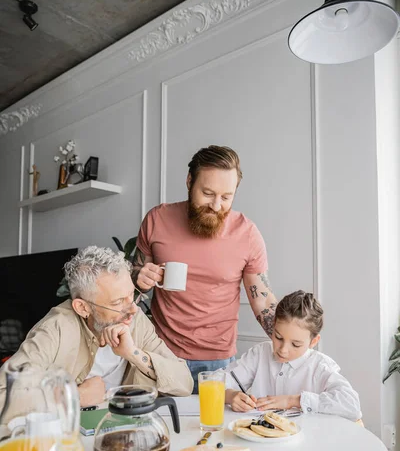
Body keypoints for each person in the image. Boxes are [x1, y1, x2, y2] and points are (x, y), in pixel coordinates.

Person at [133, 145, 278, 392]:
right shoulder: (157, 219)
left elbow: (263, 302)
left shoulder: (248, 234)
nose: (216, 205)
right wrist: (138, 276)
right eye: (208, 193)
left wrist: (291, 342)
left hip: (218, 363)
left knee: (212, 430)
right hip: (161, 354)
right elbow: (135, 271)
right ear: (190, 181)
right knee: (162, 428)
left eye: (226, 197)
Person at [1, 246, 193, 407]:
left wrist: (133, 353)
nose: (133, 309)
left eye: (131, 295)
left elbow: (184, 382)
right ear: (83, 307)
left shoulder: (135, 320)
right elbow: (4, 395)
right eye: (118, 302)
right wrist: (76, 397)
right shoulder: (55, 329)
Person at [225, 290, 362, 421]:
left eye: (295, 344)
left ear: (313, 342)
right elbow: (213, 382)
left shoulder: (320, 366)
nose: (283, 350)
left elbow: (351, 405)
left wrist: (293, 401)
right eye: (278, 337)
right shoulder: (259, 354)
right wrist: (230, 396)